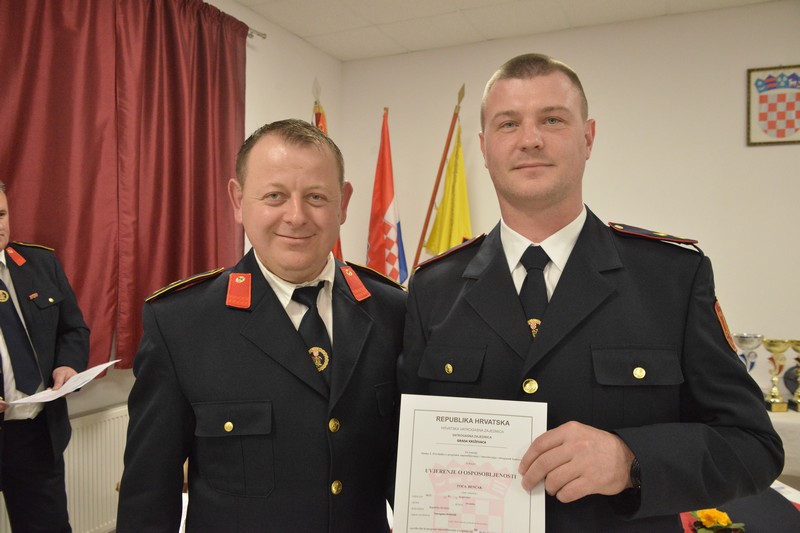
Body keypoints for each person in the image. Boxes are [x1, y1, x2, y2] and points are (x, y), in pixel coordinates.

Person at [398, 53, 784, 531]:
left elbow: (753, 446)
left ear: (588, 138)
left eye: (552, 119)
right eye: (508, 123)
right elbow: (399, 449)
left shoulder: (671, 277)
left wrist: (631, 459)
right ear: (484, 146)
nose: (530, 139)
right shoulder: (433, 288)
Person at [117, 119, 406, 531]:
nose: (296, 216)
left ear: (343, 203)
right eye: (274, 196)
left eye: (316, 197)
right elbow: (148, 494)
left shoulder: (393, 312)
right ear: (238, 201)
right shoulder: (181, 324)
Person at [0, 181, 90, 532]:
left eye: (1, 214)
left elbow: (73, 329)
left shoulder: (38, 263)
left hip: (36, 434)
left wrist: (67, 364)